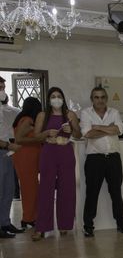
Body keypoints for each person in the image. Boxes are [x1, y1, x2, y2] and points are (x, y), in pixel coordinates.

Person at [31, 87, 82, 241]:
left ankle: (65, 224)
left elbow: (79, 135)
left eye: (59, 96)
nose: (56, 99)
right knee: (45, 188)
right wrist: (46, 133)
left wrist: (71, 129)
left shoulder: (70, 114)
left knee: (67, 188)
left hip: (66, 152)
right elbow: (36, 137)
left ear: (63, 98)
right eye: (53, 96)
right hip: (48, 152)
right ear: (48, 99)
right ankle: (41, 228)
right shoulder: (42, 115)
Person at [80, 86, 123, 237]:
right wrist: (109, 128)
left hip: (113, 158)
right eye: (96, 97)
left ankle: (121, 224)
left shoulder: (114, 112)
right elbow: (88, 134)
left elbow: (119, 130)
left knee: (116, 192)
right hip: (95, 159)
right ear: (92, 99)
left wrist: (98, 127)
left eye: (102, 97)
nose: (100, 100)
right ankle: (88, 226)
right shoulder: (85, 113)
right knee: (92, 193)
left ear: (106, 99)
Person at [13, 97, 49, 229]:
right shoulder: (27, 120)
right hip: (26, 157)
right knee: (29, 189)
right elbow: (19, 139)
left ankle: (31, 216)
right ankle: (28, 218)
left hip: (27, 157)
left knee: (32, 187)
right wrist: (40, 138)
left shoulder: (23, 119)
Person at [0, 77, 23, 238]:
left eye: (3, 87)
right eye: (0, 87)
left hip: (7, 153)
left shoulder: (3, 109)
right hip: (3, 150)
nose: (2, 90)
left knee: (8, 190)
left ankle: (5, 222)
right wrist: (7, 145)